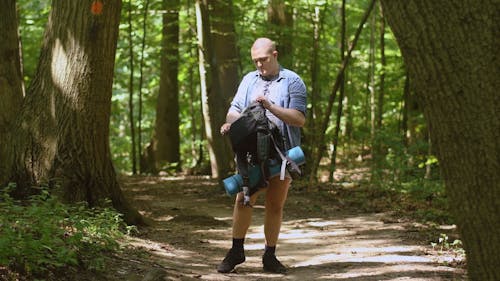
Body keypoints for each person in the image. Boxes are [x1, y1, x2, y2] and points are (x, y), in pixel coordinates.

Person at [218, 37, 307, 274]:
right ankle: (236, 251)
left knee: (275, 205)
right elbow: (233, 111)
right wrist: (232, 125)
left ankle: (270, 256)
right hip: (251, 154)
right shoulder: (249, 80)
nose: (259, 65)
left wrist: (270, 107)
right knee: (244, 198)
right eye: (255, 61)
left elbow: (299, 119)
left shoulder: (293, 81)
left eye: (263, 60)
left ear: (275, 55)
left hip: (283, 154)